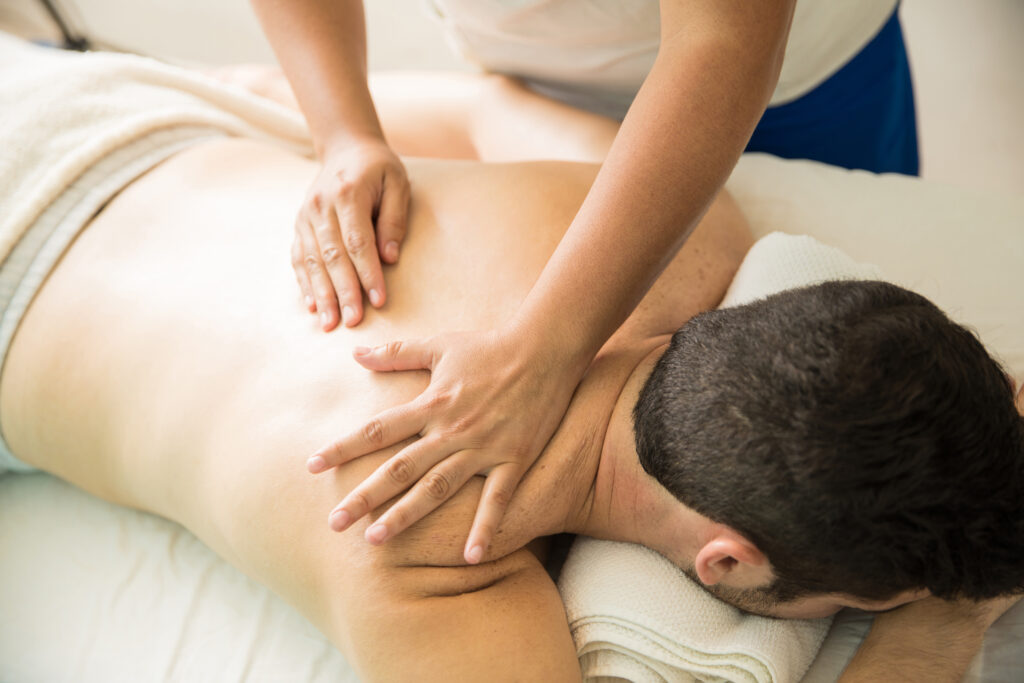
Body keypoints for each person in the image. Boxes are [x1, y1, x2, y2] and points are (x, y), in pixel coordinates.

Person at [0, 43, 1021, 680]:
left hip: (112, 115)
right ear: (729, 560)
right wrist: (945, 618)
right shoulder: (425, 554)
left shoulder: (687, 232)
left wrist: (286, 108)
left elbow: (486, 103)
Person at [248, 0, 921, 565]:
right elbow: (484, 109)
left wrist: (543, 352)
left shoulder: (707, 244)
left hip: (798, 79)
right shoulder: (714, 245)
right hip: (535, 66)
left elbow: (724, 40)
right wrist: (342, 131)